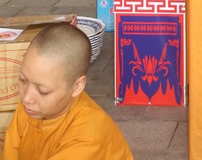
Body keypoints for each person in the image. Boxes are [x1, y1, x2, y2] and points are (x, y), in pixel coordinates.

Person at [3, 23, 133, 159]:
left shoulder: (88, 136)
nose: (27, 98)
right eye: (23, 80)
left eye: (43, 91)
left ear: (77, 86)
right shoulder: (30, 108)